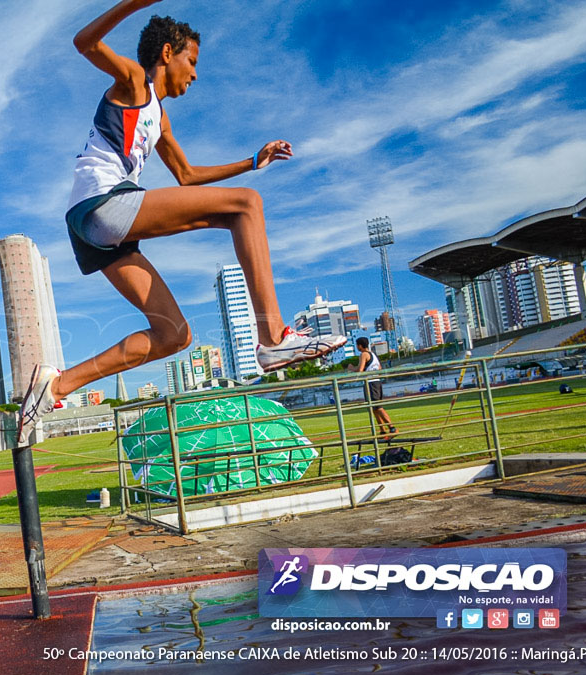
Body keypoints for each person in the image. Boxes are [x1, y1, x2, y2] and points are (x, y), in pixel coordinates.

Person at [17, 0, 345, 442]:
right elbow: (84, 42)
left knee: (174, 335)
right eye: (192, 61)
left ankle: (55, 386)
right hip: (104, 203)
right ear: (167, 53)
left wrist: (253, 160)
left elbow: (188, 176)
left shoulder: (160, 117)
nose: (195, 73)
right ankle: (272, 337)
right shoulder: (135, 82)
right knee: (246, 206)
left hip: (92, 229)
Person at [349, 337, 397, 439]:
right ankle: (382, 431)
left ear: (360, 345)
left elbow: (360, 369)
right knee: (374, 408)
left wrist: (351, 368)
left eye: (357, 345)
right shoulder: (373, 355)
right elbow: (379, 368)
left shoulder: (364, 354)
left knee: (378, 407)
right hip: (377, 382)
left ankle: (392, 427)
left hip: (370, 383)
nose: (357, 347)